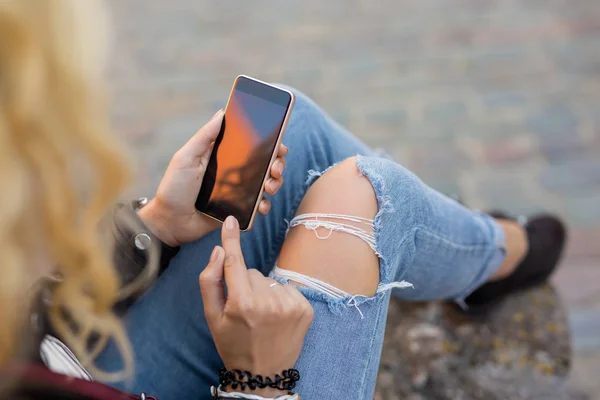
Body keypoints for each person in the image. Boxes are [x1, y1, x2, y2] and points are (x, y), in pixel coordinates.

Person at [0, 1, 567, 400]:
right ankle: (495, 251)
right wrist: (258, 383)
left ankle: (484, 251)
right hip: (114, 379)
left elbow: (27, 319)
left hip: (76, 359)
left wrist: (156, 227)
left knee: (287, 124)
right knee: (372, 194)